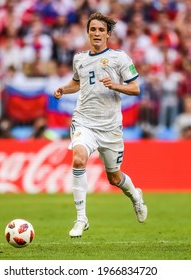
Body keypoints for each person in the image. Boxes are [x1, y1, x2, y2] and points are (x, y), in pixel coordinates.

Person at [53, 12, 147, 238]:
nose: (96, 33)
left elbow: (135, 89)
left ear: (108, 34)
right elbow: (78, 82)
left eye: (101, 30)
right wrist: (63, 89)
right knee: (78, 158)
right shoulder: (79, 58)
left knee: (114, 178)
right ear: (88, 32)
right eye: (93, 29)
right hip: (84, 120)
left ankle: (135, 196)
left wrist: (115, 85)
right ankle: (81, 218)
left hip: (110, 127)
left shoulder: (119, 58)